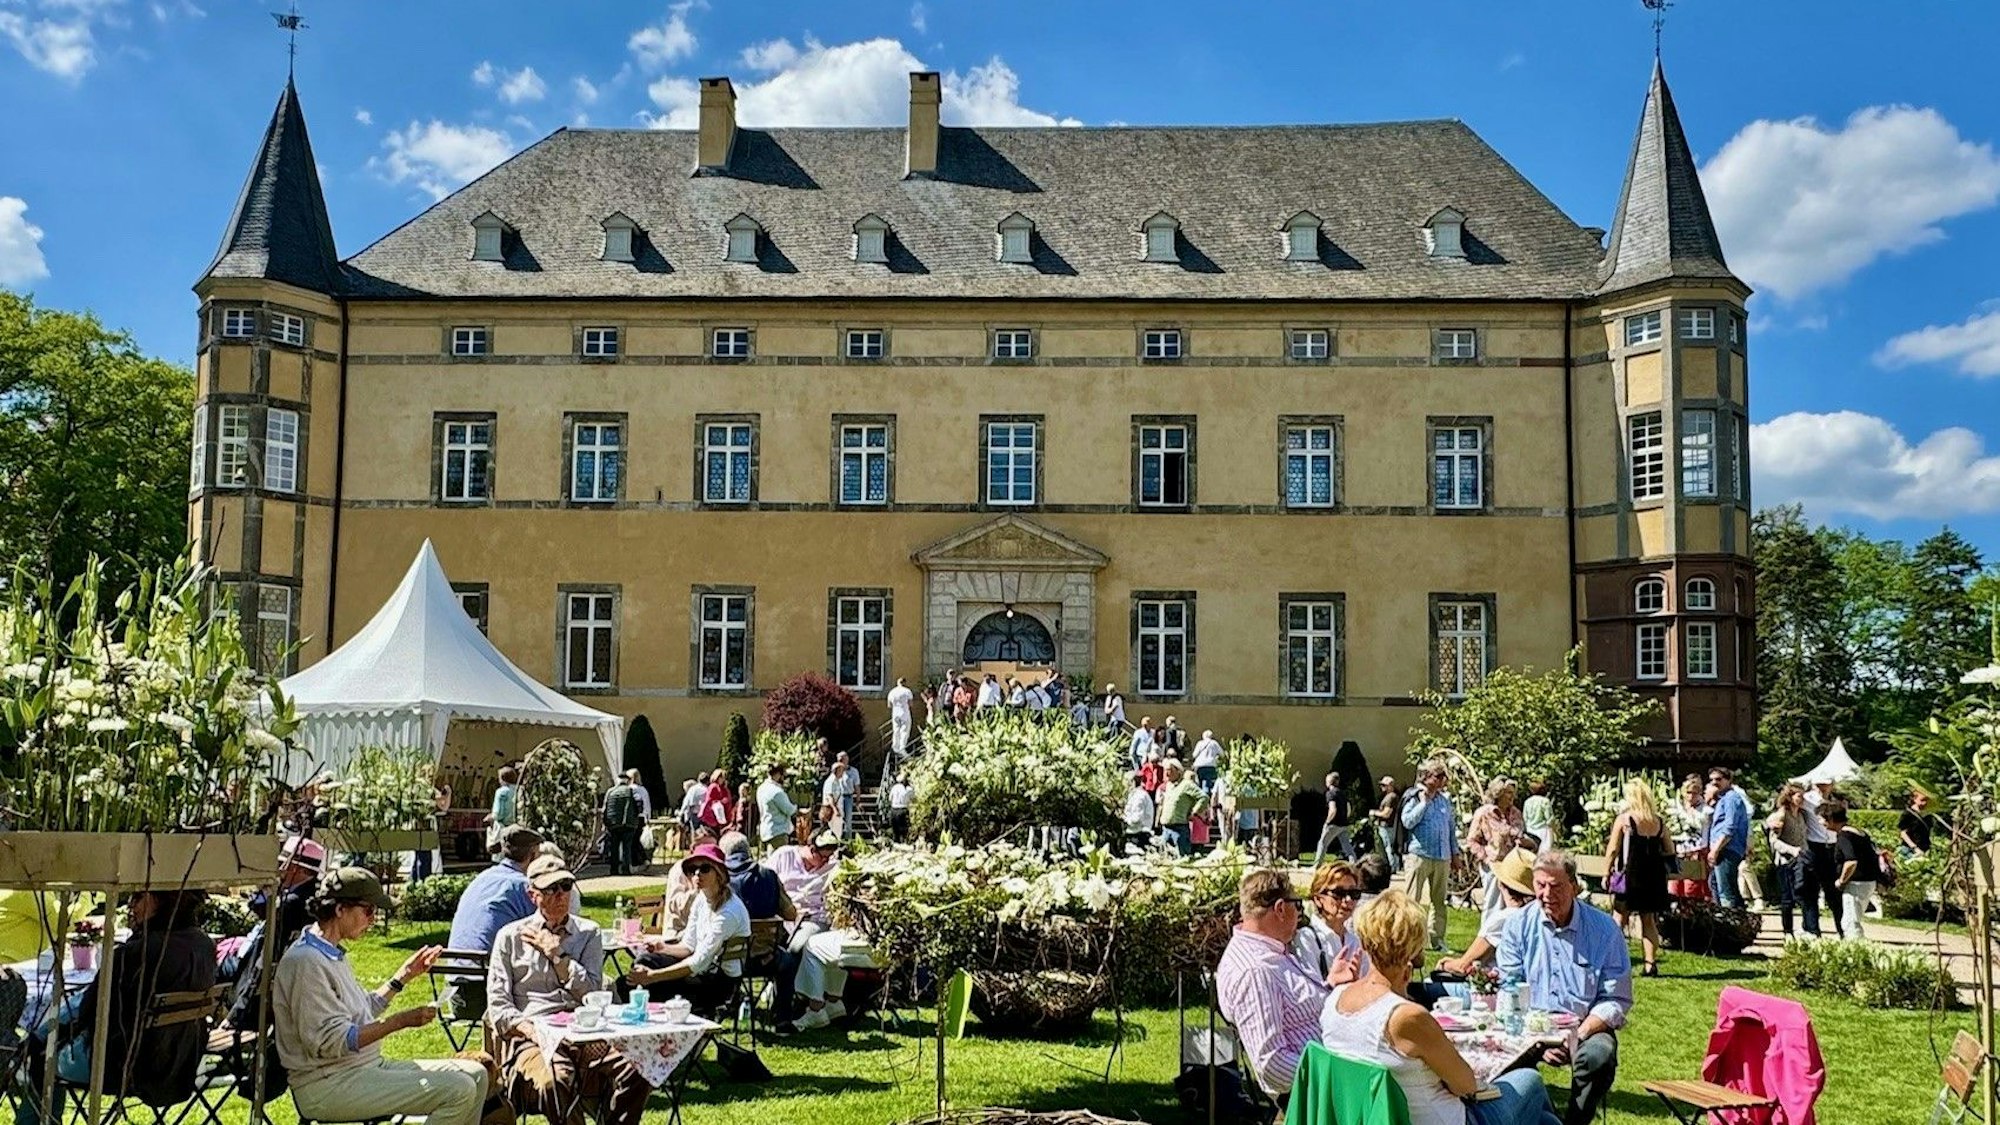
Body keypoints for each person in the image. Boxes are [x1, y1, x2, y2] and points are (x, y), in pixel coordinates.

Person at [1318, 890, 1561, 1125]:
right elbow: (1465, 1085)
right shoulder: (1405, 1016)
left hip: (1370, 1117)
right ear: (1413, 948)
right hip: (1444, 1119)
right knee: (1531, 1080)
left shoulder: (1335, 999)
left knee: (1544, 1121)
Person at [275, 868, 487, 1125]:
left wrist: (404, 975)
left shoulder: (329, 952)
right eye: (368, 911)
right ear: (340, 909)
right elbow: (331, 1042)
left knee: (477, 1074)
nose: (373, 919)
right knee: (458, 1090)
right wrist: (399, 1022)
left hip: (362, 1069)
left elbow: (361, 1012)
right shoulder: (307, 962)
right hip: (328, 1084)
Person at [20, 890, 220, 1125]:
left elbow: (87, 1009)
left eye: (138, 897)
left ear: (163, 899)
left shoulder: (136, 953)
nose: (130, 905)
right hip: (180, 1063)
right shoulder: (203, 945)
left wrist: (38, 1037)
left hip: (122, 1067)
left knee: (43, 1053)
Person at [489, 856, 648, 1125]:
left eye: (566, 886)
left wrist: (558, 955)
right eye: (552, 889)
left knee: (639, 1067)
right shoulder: (510, 937)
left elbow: (591, 994)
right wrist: (535, 1032)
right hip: (534, 1036)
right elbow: (498, 1006)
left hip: (585, 1032)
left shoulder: (588, 933)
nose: (561, 895)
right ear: (532, 895)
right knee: (555, 1081)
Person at [1496, 852, 1633, 1125]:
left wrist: (1577, 1035)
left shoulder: (1604, 929)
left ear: (1574, 886)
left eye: (1556, 886)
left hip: (1583, 1025)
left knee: (1599, 1056)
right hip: (1529, 1026)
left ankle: (1575, 1121)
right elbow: (1509, 988)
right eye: (1540, 885)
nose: (1546, 894)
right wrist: (1537, 1040)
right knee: (1497, 1059)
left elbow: (1615, 998)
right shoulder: (1517, 925)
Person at [1215, 869, 1337, 1101]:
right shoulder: (1255, 971)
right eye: (1297, 905)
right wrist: (1340, 1074)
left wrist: (1330, 984)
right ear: (1280, 908)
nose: (1300, 914)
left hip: (1324, 1080)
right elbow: (1272, 1064)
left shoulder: (1267, 949)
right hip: (1315, 1096)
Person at [625, 843, 750, 1012]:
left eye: (705, 868)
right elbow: (688, 946)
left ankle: (653, 1027)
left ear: (719, 874)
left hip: (719, 984)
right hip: (701, 973)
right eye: (693, 870)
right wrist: (662, 947)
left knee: (652, 984)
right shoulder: (701, 898)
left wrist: (652, 977)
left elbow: (698, 962)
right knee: (647, 960)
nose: (697, 874)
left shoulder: (728, 912)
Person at [770, 831, 848, 1031]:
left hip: (813, 917)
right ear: (810, 848)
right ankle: (783, 998)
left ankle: (792, 1004)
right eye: (822, 856)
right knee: (772, 947)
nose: (824, 861)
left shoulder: (832, 867)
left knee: (796, 948)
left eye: (829, 857)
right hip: (784, 915)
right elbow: (768, 882)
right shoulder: (784, 856)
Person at [1603, 778, 1669, 977]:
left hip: (1630, 875)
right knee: (1648, 920)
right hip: (1653, 876)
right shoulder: (1658, 821)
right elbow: (1669, 849)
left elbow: (1613, 849)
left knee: (1618, 918)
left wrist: (1606, 872)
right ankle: (1650, 964)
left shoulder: (1625, 820)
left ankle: (1612, 961)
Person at [1438, 848, 1536, 976]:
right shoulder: (1537, 916)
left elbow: (1463, 967)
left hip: (1498, 985)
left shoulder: (1504, 919)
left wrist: (1444, 964)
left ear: (1501, 884)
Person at [449, 825, 542, 954]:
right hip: (489, 969)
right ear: (532, 856)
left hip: (454, 967)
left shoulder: (481, 878)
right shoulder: (525, 887)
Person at [1401, 759, 1459, 952]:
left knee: (1439, 902)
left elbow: (1450, 829)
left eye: (1444, 776)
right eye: (1439, 776)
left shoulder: (1444, 801)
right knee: (1412, 901)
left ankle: (1437, 939)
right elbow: (1407, 822)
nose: (1444, 780)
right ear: (1426, 777)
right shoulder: (1414, 797)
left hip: (1442, 856)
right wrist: (1424, 804)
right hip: (1419, 855)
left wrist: (1455, 853)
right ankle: (1410, 940)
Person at [1292, 860, 1369, 980]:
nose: (1348, 899)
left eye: (1354, 893)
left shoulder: (1355, 942)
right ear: (1318, 899)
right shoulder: (1306, 939)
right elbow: (1311, 990)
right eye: (1338, 893)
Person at [1466, 778, 1526, 927]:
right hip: (1493, 865)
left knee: (1513, 903)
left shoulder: (1516, 813)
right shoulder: (1484, 813)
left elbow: (1520, 834)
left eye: (1513, 793)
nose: (1512, 797)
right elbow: (1472, 840)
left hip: (1513, 864)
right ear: (1498, 793)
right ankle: (1487, 938)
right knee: (1493, 903)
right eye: (1508, 793)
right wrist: (1486, 858)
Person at [1826, 801, 1881, 940]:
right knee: (1852, 918)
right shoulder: (1859, 832)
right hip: (1868, 881)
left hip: (1856, 883)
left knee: (1850, 921)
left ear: (1831, 819)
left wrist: (1841, 881)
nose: (1821, 823)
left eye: (1822, 819)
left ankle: (1856, 949)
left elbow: (1851, 861)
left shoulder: (1844, 836)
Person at [1766, 783, 1809, 938]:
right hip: (1785, 862)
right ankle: (1787, 931)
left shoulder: (1802, 815)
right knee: (1787, 898)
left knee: (1803, 895)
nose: (1802, 800)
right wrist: (1792, 850)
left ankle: (1806, 928)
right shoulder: (1781, 815)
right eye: (1799, 796)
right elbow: (1774, 841)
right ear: (1790, 798)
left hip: (1801, 860)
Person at [1801, 778, 1843, 936]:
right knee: (1810, 889)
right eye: (1820, 784)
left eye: (1826, 784)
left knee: (1833, 890)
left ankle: (1842, 929)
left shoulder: (1837, 800)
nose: (1823, 787)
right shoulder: (1807, 799)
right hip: (1815, 845)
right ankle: (1812, 929)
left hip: (1832, 846)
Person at [1706, 767, 1751, 909]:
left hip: (1727, 849)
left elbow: (1729, 827)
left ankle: (1730, 922)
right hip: (1723, 849)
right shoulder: (1722, 799)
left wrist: (1716, 849)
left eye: (1718, 779)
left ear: (1728, 780)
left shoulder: (1732, 798)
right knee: (1715, 884)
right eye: (1712, 780)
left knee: (1726, 891)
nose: (1714, 783)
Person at [1157, 760, 1208, 857]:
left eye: (1169, 770)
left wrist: (1194, 812)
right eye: (1165, 770)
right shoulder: (1168, 786)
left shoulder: (1186, 784)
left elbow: (1203, 797)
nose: (1166, 773)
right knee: (1165, 858)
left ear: (1178, 771)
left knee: (1182, 858)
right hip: (1166, 828)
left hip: (1179, 829)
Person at [600, 772, 643, 877]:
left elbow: (605, 809)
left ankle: (614, 869)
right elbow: (639, 806)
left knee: (614, 847)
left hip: (613, 824)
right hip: (628, 824)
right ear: (628, 780)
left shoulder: (610, 791)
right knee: (626, 848)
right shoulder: (632, 791)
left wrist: (605, 823)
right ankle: (625, 869)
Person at [1310, 772, 1355, 867]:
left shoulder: (1330, 793)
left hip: (1334, 824)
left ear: (1329, 782)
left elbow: (1333, 809)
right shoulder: (1342, 793)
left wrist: (1327, 822)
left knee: (1322, 843)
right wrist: (1346, 818)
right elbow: (1348, 807)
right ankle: (1354, 864)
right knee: (1347, 846)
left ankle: (1317, 865)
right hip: (1344, 824)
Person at [412, 778, 453, 881]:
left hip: (425, 825)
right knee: (424, 856)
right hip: (423, 825)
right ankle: (422, 880)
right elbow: (442, 803)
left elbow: (444, 807)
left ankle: (416, 881)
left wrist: (448, 795)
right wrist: (446, 795)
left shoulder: (429, 790)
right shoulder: (424, 790)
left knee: (421, 856)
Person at [756, 762, 800, 853]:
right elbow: (789, 810)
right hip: (778, 831)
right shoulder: (776, 791)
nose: (784, 778)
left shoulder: (761, 788)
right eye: (783, 775)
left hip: (766, 829)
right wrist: (797, 809)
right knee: (778, 863)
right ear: (778, 774)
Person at [824, 752, 862, 839]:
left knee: (847, 821)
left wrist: (858, 799)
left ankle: (847, 840)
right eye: (839, 760)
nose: (840, 761)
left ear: (847, 759)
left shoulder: (853, 771)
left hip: (848, 797)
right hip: (837, 799)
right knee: (837, 821)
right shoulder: (834, 776)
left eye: (842, 759)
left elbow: (857, 786)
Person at [1372, 775, 1404, 874]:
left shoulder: (1391, 797)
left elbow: (1386, 813)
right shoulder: (1388, 796)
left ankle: (1393, 867)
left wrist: (1374, 813)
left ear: (1390, 786)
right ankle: (1391, 867)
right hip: (1384, 826)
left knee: (1389, 847)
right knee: (1386, 847)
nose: (1382, 787)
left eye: (1384, 785)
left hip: (1387, 826)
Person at [487, 764, 520, 854]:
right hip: (516, 827)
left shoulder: (501, 792)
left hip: (503, 828)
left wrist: (491, 817)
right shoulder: (519, 790)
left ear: (503, 779)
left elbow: (499, 814)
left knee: (499, 854)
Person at [1122, 770, 1156, 854]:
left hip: (1139, 834)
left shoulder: (1139, 796)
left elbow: (1136, 819)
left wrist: (1124, 819)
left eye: (1126, 780)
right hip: (1135, 833)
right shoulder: (1134, 794)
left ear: (1132, 782)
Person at [699, 767, 736, 839]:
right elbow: (709, 801)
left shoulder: (724, 788)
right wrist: (721, 801)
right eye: (721, 777)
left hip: (725, 814)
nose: (723, 779)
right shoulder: (713, 787)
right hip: (715, 815)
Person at [1900, 786, 1936, 858]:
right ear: (1915, 799)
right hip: (1910, 850)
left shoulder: (1927, 816)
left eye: (1926, 800)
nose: (1925, 803)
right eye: (1922, 800)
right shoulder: (1908, 814)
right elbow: (1903, 834)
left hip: (1924, 849)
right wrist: (1915, 848)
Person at [886, 676, 916, 759]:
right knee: (904, 730)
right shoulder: (907, 691)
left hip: (895, 713)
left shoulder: (892, 692)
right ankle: (902, 748)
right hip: (904, 713)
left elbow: (889, 705)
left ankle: (895, 747)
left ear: (897, 683)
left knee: (896, 730)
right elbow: (910, 704)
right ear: (905, 683)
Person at [1522, 779, 1555, 853]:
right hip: (1543, 831)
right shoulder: (1545, 801)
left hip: (1530, 831)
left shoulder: (1527, 802)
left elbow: (1524, 818)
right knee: (1544, 853)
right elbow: (1549, 819)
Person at [886, 774, 914, 842]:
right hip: (903, 809)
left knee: (895, 828)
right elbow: (913, 797)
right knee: (903, 827)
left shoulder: (894, 788)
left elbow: (890, 798)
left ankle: (896, 840)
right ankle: (904, 840)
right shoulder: (908, 789)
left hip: (894, 809)